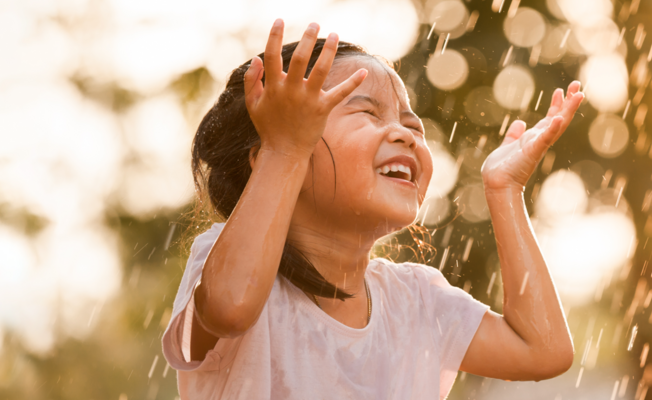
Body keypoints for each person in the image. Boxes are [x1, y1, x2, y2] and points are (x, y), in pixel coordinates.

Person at [162, 18, 584, 399]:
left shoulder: (417, 301)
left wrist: (505, 191)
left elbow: (543, 350)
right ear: (269, 155)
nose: (404, 135)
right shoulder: (229, 265)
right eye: (366, 111)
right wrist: (285, 148)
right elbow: (231, 309)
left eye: (411, 124)